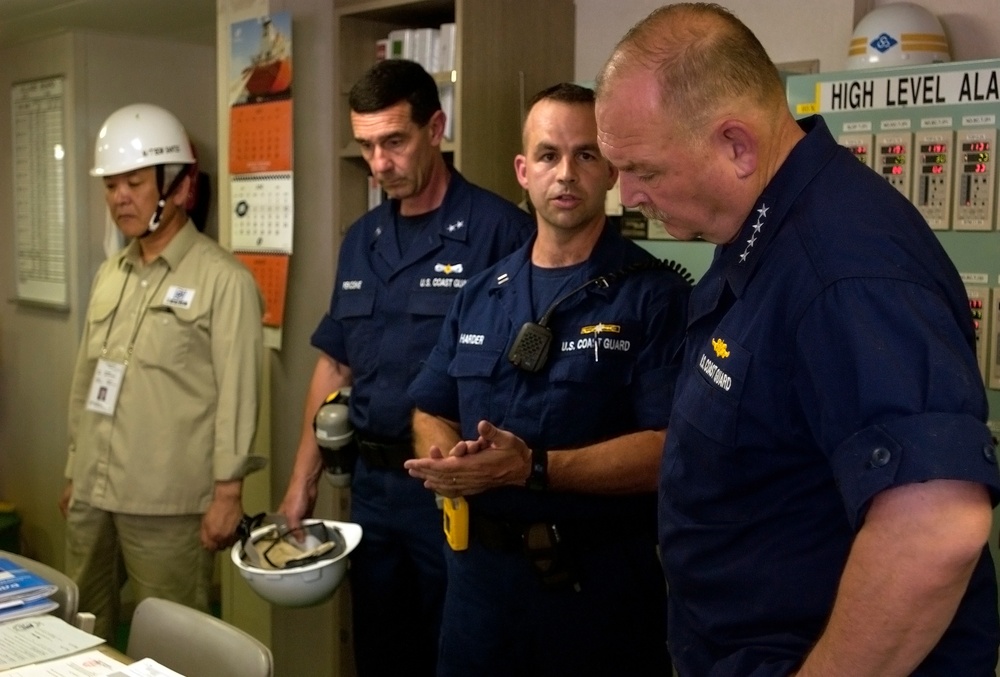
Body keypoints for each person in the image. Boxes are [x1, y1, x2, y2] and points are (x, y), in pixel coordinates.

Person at [594, 4, 1000, 675]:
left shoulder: (844, 267)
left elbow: (936, 528)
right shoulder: (759, 226)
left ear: (736, 144)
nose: (626, 193)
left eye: (644, 170)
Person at [405, 83, 690, 677]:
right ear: (522, 171)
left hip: (594, 593)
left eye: (586, 155)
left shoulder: (655, 298)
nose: (566, 173)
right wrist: (446, 463)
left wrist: (532, 466)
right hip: (478, 590)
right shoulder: (480, 295)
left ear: (611, 170)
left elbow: (669, 452)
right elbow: (431, 404)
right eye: (548, 155)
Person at [277, 59, 534, 677]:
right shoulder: (361, 239)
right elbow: (335, 367)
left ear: (435, 128)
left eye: (394, 142)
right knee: (382, 654)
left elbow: (526, 380)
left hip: (457, 493)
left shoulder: (500, 232)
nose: (378, 164)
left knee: (460, 654)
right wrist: (299, 483)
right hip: (373, 488)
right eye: (366, 146)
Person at [60, 103, 264, 641]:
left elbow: (239, 396)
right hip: (93, 491)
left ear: (176, 186)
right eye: (110, 186)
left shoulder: (225, 280)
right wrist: (74, 467)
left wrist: (228, 495)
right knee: (80, 627)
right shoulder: (112, 273)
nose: (119, 197)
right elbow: (87, 379)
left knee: (170, 641)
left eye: (133, 183)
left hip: (167, 505)